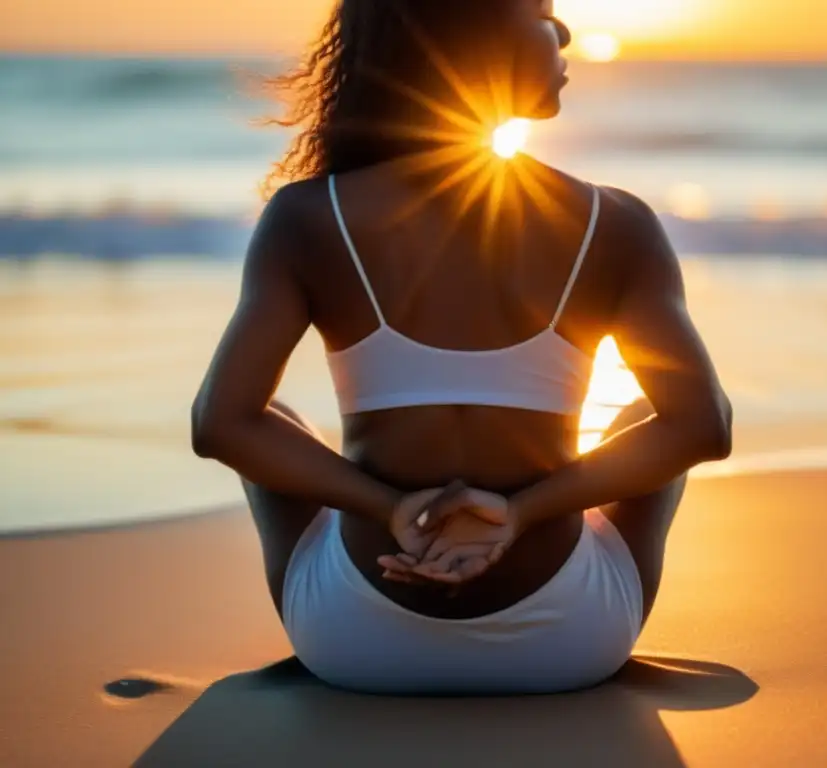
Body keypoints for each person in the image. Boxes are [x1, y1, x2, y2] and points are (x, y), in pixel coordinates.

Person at [191, 0, 732, 695]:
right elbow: (703, 427)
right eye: (543, 12)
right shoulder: (616, 222)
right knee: (641, 423)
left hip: (355, 639)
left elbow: (220, 424)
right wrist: (520, 513)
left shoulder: (307, 215)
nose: (564, 33)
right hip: (568, 640)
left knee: (275, 426)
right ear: (472, 38)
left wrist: (389, 509)